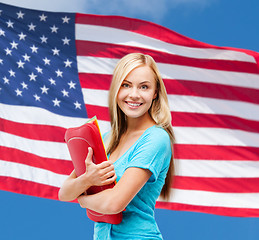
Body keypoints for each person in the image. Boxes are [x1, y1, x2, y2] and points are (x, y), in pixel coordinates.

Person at [58, 53, 175, 239]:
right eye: (126, 85)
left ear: (155, 93)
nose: (134, 94)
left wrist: (82, 199)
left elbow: (114, 203)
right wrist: (87, 180)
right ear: (116, 90)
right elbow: (64, 192)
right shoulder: (106, 139)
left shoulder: (156, 138)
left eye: (144, 87)